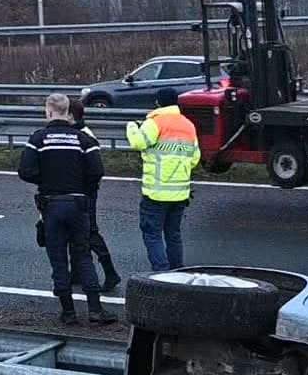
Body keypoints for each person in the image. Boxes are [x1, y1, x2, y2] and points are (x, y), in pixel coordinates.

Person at [18, 93, 114, 325]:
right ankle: (95, 310)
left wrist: (48, 181)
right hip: (78, 203)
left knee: (58, 259)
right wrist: (79, 185)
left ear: (49, 111)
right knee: (82, 256)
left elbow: (25, 171)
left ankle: (68, 312)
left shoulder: (38, 139)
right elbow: (96, 171)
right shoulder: (83, 139)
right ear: (68, 111)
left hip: (51, 204)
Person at [125, 88, 198, 272]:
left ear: (158, 103)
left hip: (156, 192)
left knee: (152, 234)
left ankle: (161, 273)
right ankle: (177, 271)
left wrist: (132, 127)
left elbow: (138, 143)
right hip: (180, 192)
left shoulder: (155, 122)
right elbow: (195, 158)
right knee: (173, 234)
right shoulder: (188, 124)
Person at [69, 96, 123, 292]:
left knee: (90, 232)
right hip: (81, 191)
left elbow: (93, 169)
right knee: (76, 233)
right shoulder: (80, 132)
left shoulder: (85, 136)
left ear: (70, 115)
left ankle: (110, 273)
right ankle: (75, 273)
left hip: (85, 192)